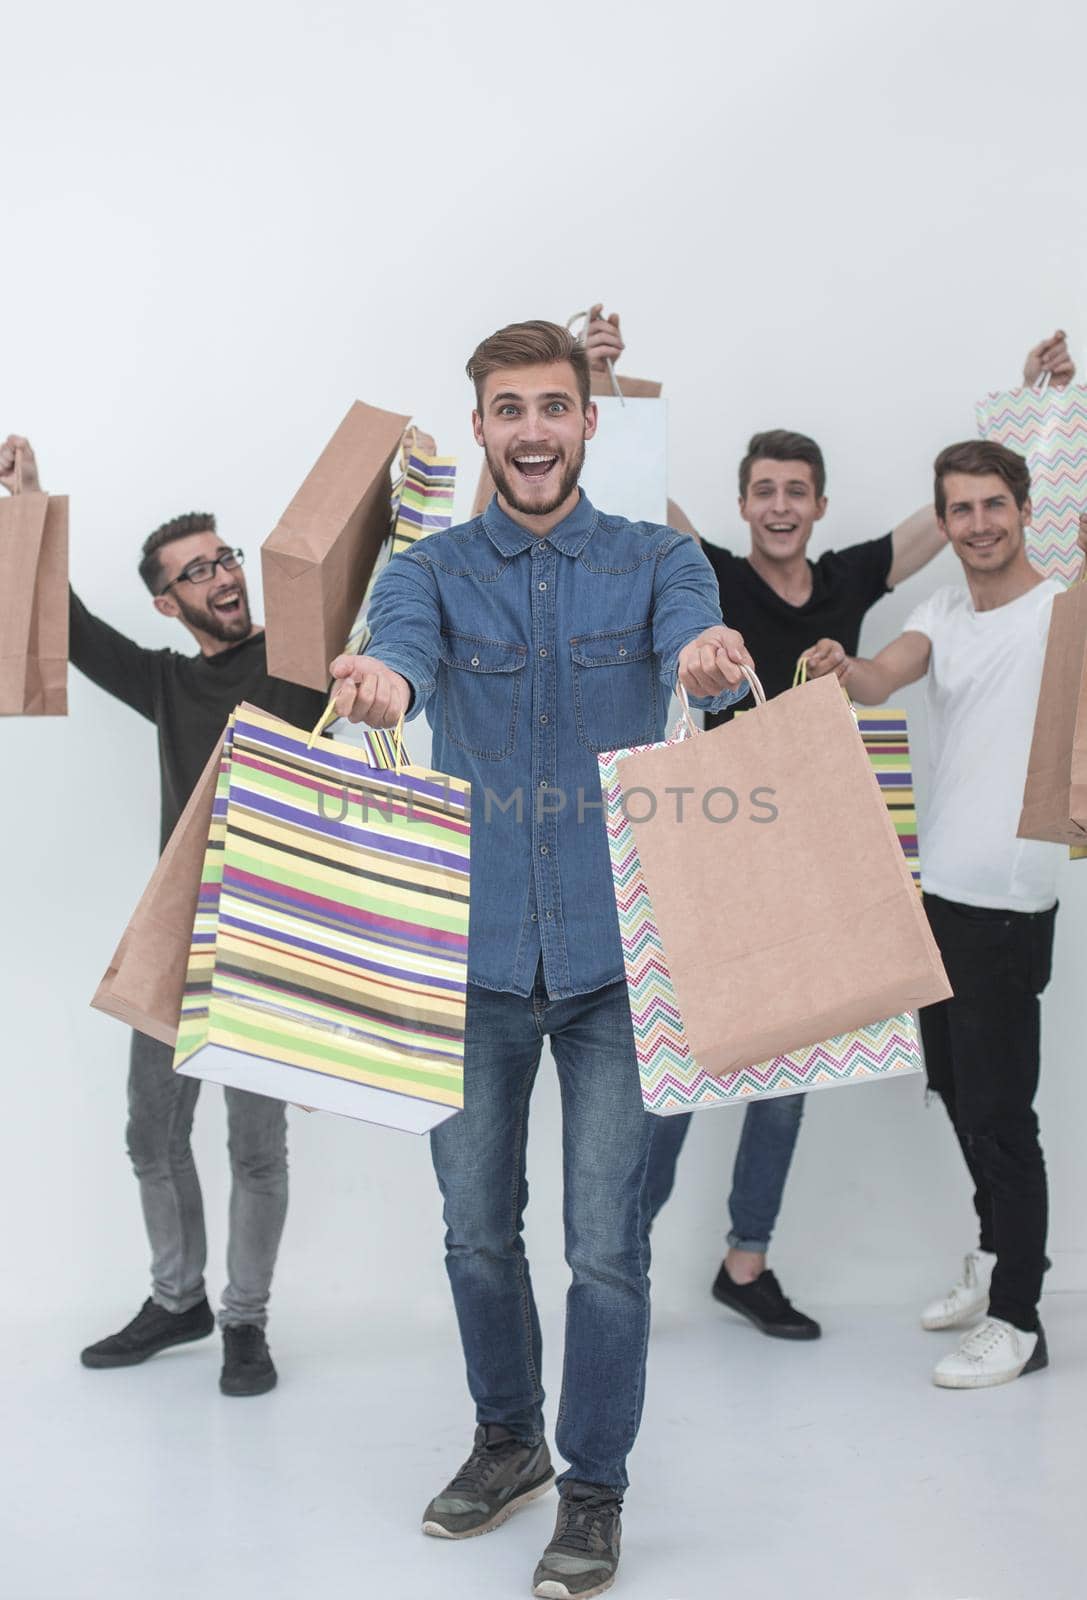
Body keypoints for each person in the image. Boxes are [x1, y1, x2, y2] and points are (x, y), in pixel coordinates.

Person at [328, 319, 752, 1600]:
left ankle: (594, 1488)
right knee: (473, 1233)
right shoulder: (431, 567)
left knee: (607, 1247)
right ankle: (506, 1438)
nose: (530, 430)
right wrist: (386, 690)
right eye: (506, 407)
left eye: (552, 407)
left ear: (587, 422)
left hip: (620, 965)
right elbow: (399, 657)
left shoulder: (660, 558)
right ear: (479, 428)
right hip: (471, 966)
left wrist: (713, 671)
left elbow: (706, 652)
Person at [642, 330, 1076, 1344]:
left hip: (833, 866)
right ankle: (621, 1253)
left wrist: (1030, 413)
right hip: (722, 852)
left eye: (798, 490)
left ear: (819, 505)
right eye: (765, 491)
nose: (781, 506)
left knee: (795, 1078)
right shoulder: (706, 570)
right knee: (676, 1072)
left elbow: (967, 513)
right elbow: (643, 498)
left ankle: (747, 1263)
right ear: (744, 503)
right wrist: (598, 389)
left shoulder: (855, 581)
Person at [0, 433, 330, 1397]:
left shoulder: (302, 662)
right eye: (198, 571)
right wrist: (28, 499)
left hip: (269, 936)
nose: (223, 576)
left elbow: (363, 573)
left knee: (255, 1148)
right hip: (179, 939)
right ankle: (177, 1299)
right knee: (152, 1134)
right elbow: (59, 618)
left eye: (225, 558)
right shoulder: (166, 682)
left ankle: (244, 1323)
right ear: (168, 602)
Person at [806, 431, 1082, 1388]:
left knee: (1005, 1117)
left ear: (1023, 508)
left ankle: (1019, 1319)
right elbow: (879, 680)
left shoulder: (1062, 611)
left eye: (991, 506)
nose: (976, 525)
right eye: (958, 510)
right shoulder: (943, 612)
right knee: (960, 1096)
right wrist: (841, 665)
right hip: (936, 895)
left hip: (1009, 902)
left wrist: (1050, 403)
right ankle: (993, 1257)